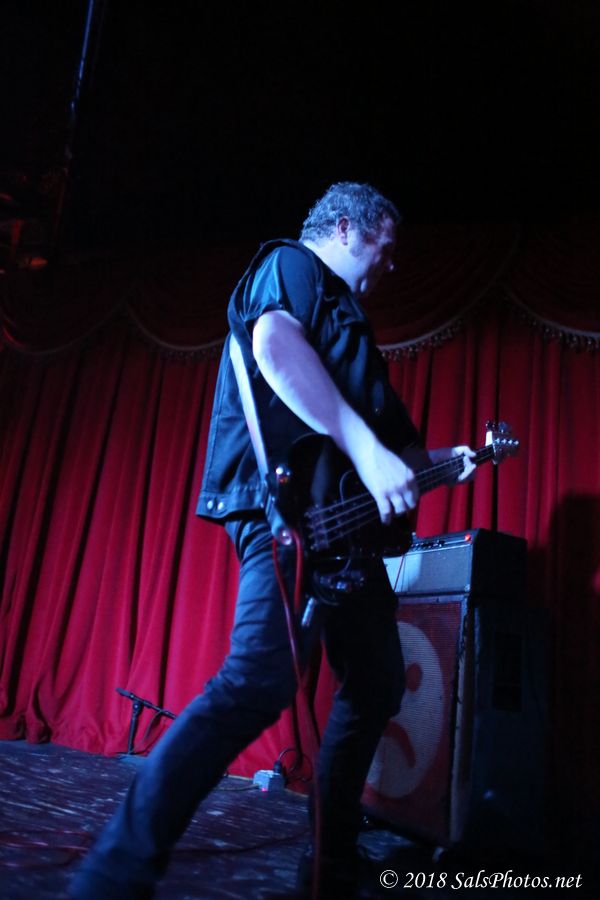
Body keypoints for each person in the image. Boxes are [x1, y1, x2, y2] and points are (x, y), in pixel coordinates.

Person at [69, 182, 476, 899]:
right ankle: (113, 873)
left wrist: (450, 460)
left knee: (377, 680)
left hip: (346, 535)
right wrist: (365, 448)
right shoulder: (293, 266)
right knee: (258, 680)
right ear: (345, 227)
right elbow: (274, 345)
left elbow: (395, 457)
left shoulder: (356, 334)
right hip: (285, 512)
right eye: (384, 247)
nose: (391, 264)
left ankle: (331, 858)